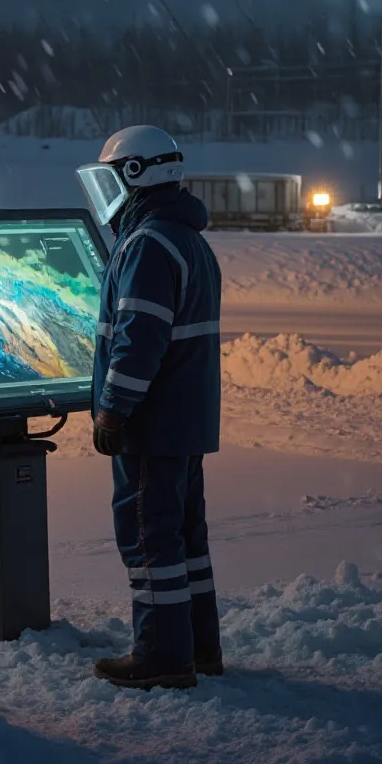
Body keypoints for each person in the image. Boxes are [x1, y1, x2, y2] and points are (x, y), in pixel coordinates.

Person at [77, 125, 223, 690]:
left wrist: (113, 409)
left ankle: (163, 657)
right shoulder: (188, 239)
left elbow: (139, 338)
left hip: (152, 424)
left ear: (134, 175)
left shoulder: (146, 245)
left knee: (147, 538)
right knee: (186, 540)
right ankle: (199, 647)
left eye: (112, 176)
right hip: (185, 422)